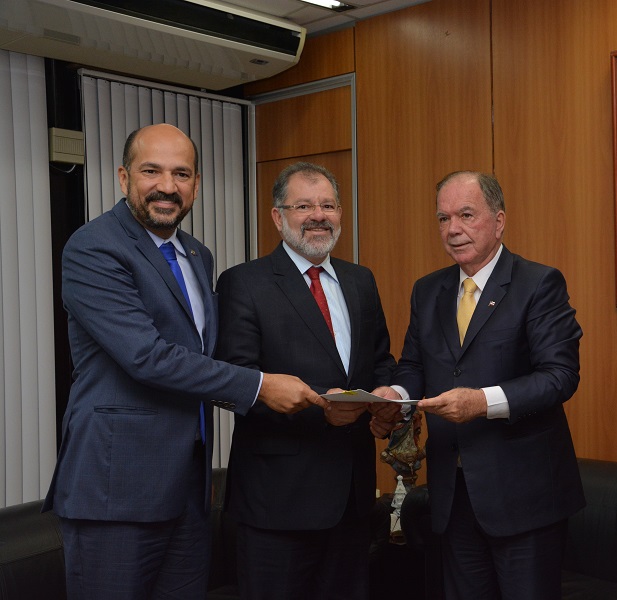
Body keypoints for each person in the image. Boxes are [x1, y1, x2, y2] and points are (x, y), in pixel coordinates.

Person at [43, 123, 323, 600]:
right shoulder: (94, 247)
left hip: (187, 491)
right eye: (151, 171)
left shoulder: (197, 254)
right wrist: (260, 385)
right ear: (123, 177)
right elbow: (147, 357)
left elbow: (203, 356)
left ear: (196, 184)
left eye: (181, 173)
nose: (167, 187)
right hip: (116, 490)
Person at [389, 171, 584, 600]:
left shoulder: (538, 283)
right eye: (443, 218)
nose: (453, 229)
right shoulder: (428, 291)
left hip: (524, 498)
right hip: (451, 495)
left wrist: (482, 402)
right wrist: (396, 396)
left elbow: (560, 376)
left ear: (498, 222)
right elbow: (413, 365)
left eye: (466, 215)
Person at [214, 162, 399, 600]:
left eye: (328, 205)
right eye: (303, 206)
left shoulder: (360, 280)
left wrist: (389, 395)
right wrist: (322, 410)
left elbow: (381, 361)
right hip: (277, 503)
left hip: (352, 500)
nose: (318, 215)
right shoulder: (245, 282)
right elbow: (235, 382)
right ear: (277, 217)